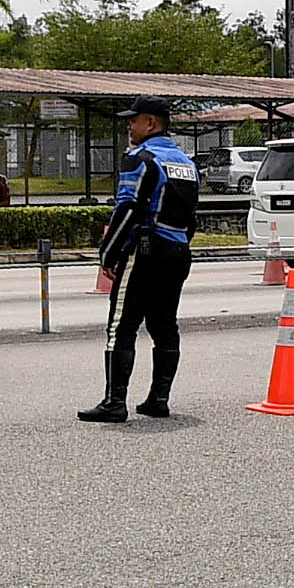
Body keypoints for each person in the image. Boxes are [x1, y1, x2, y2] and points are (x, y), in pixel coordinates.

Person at [79, 99, 198, 423]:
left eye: (133, 121)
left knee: (122, 326)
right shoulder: (187, 163)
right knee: (165, 326)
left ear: (149, 122)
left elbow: (127, 208)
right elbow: (191, 218)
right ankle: (158, 399)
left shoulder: (139, 158)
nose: (129, 127)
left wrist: (109, 252)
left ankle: (114, 402)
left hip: (146, 250)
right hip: (177, 252)